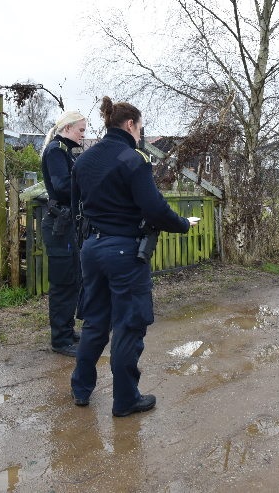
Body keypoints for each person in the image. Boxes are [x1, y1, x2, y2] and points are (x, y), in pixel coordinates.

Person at [70, 96, 199, 417]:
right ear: (130, 125)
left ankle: (81, 389)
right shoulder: (133, 159)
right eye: (140, 127)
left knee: (95, 322)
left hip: (92, 248)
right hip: (124, 252)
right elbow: (153, 207)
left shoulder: (84, 160)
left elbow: (76, 205)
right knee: (129, 324)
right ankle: (126, 399)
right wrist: (182, 224)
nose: (141, 133)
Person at [40, 111, 87, 357]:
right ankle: (60, 339)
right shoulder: (56, 150)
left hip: (67, 224)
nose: (83, 134)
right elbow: (61, 185)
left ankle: (67, 331)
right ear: (67, 128)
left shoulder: (65, 151)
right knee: (63, 282)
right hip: (59, 225)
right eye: (81, 130)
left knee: (72, 279)